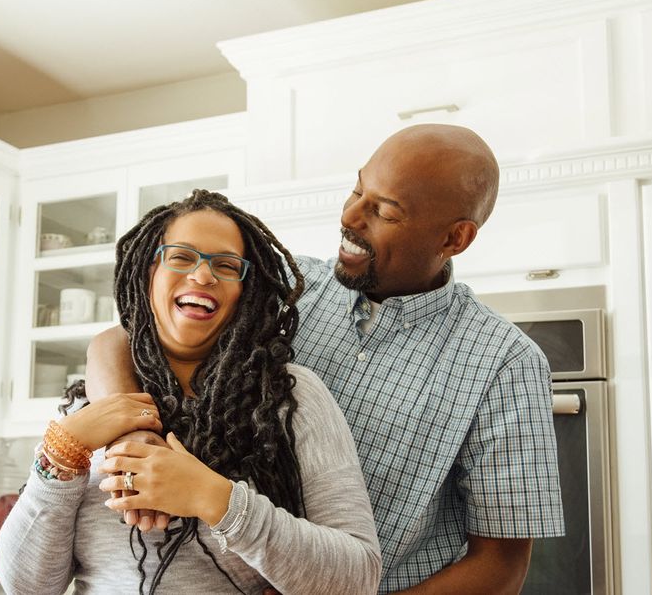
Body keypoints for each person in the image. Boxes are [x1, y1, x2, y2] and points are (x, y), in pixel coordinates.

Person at [85, 124, 565, 594]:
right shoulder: (287, 289)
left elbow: (500, 569)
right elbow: (120, 339)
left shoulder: (504, 361)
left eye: (384, 211)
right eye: (357, 191)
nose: (351, 218)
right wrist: (133, 437)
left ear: (454, 239)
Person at [0, 190, 382, 594]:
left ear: (245, 292)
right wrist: (61, 453)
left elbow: (357, 578)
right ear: (148, 273)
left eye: (227, 265)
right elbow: (27, 587)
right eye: (180, 257)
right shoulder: (88, 405)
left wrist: (215, 499)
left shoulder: (291, 397)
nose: (202, 276)